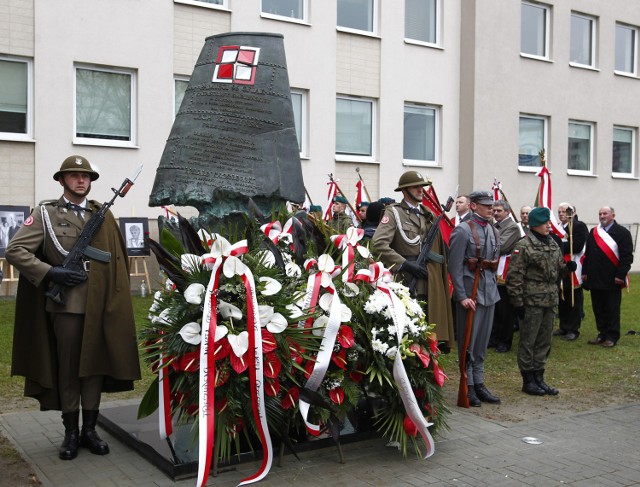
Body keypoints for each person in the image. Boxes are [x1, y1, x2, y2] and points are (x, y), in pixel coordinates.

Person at [5, 155, 141, 461]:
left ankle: (90, 430)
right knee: (69, 370)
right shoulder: (45, 214)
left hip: (100, 306)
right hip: (67, 305)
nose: (81, 180)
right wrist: (51, 273)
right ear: (61, 180)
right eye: (74, 175)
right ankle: (70, 432)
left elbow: (116, 258)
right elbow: (15, 250)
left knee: (92, 368)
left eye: (86, 176)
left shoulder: (102, 215)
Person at [373, 170, 455, 352]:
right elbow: (379, 244)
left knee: (428, 326)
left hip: (428, 279)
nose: (421, 190)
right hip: (405, 279)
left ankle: (428, 363)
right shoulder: (394, 213)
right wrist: (404, 263)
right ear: (404, 190)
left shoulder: (428, 215)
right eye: (416, 187)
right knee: (407, 330)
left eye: (422, 186)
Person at [507, 207, 575, 395]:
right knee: (529, 341)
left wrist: (567, 268)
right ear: (535, 224)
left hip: (550, 300)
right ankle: (528, 380)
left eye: (548, 222)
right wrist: (517, 303)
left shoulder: (552, 243)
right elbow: (514, 277)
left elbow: (557, 268)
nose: (548, 225)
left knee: (545, 341)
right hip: (531, 301)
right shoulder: (524, 245)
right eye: (545, 223)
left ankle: (539, 377)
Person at [448, 190, 501, 406]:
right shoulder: (462, 230)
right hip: (470, 294)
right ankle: (467, 384)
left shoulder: (492, 230)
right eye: (485, 205)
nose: (490, 208)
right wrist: (461, 296)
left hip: (489, 294)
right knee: (468, 344)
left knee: (481, 344)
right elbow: (454, 266)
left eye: (491, 205)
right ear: (473, 206)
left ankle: (479, 382)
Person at [582, 206, 634, 348]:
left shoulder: (622, 233)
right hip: (595, 278)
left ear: (613, 215)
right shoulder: (594, 232)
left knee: (611, 309)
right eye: (600, 213)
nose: (602, 216)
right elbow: (587, 255)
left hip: (612, 278)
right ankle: (602, 334)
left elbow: (627, 256)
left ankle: (612, 336)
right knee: (598, 308)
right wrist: (585, 272)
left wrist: (620, 275)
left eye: (605, 213)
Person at [553, 203, 589, 341]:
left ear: (573, 212)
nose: (562, 214)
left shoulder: (579, 226)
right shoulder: (557, 227)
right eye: (559, 211)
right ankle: (564, 326)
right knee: (562, 296)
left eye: (565, 211)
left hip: (574, 266)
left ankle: (573, 328)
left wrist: (560, 246)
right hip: (560, 266)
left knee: (574, 298)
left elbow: (578, 246)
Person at [490, 199, 522, 352]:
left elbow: (501, 247)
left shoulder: (512, 227)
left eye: (499, 211)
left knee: (505, 309)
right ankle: (494, 337)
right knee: (495, 308)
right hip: (493, 271)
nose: (495, 213)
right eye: (494, 210)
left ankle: (505, 341)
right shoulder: (493, 225)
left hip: (506, 273)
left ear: (507, 212)